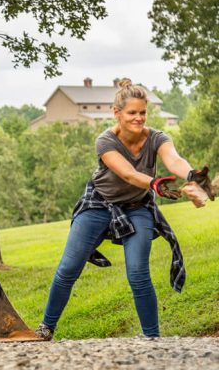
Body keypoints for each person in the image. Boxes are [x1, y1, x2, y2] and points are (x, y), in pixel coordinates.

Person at [35, 78, 214, 341]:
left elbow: (173, 158)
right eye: (132, 113)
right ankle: (46, 328)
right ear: (117, 113)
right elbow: (128, 174)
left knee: (138, 271)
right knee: (69, 267)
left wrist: (191, 173)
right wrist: (154, 183)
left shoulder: (157, 138)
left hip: (136, 207)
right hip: (99, 203)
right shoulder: (105, 141)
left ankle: (151, 338)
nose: (139, 118)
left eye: (143, 112)